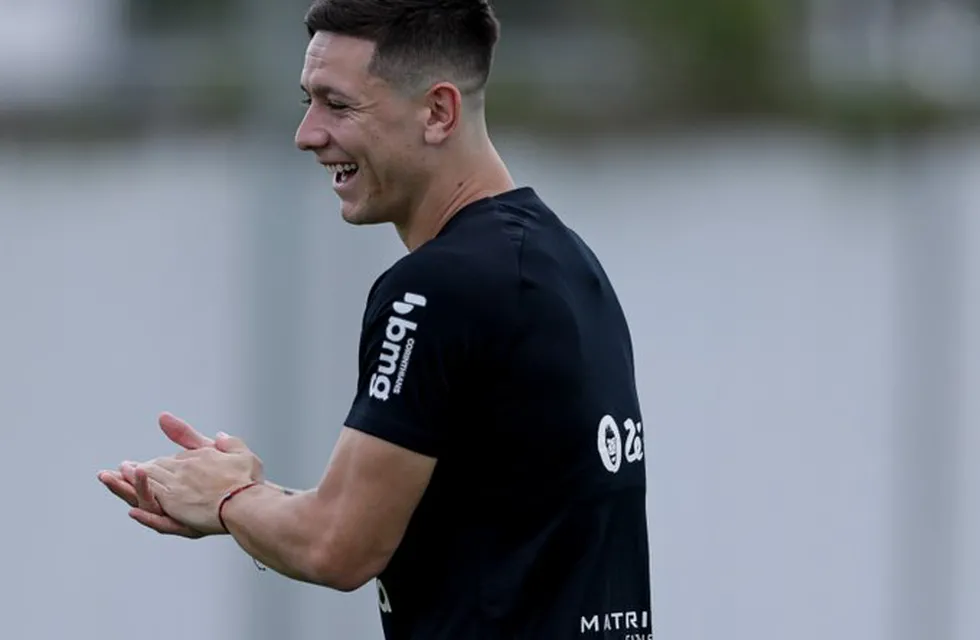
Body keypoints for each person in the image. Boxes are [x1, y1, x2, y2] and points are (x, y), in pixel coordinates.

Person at [97, 0, 653, 637]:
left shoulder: (435, 287)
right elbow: (401, 521)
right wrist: (256, 498)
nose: (307, 133)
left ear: (438, 112)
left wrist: (228, 500)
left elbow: (339, 546)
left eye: (338, 105)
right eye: (308, 101)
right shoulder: (563, 259)